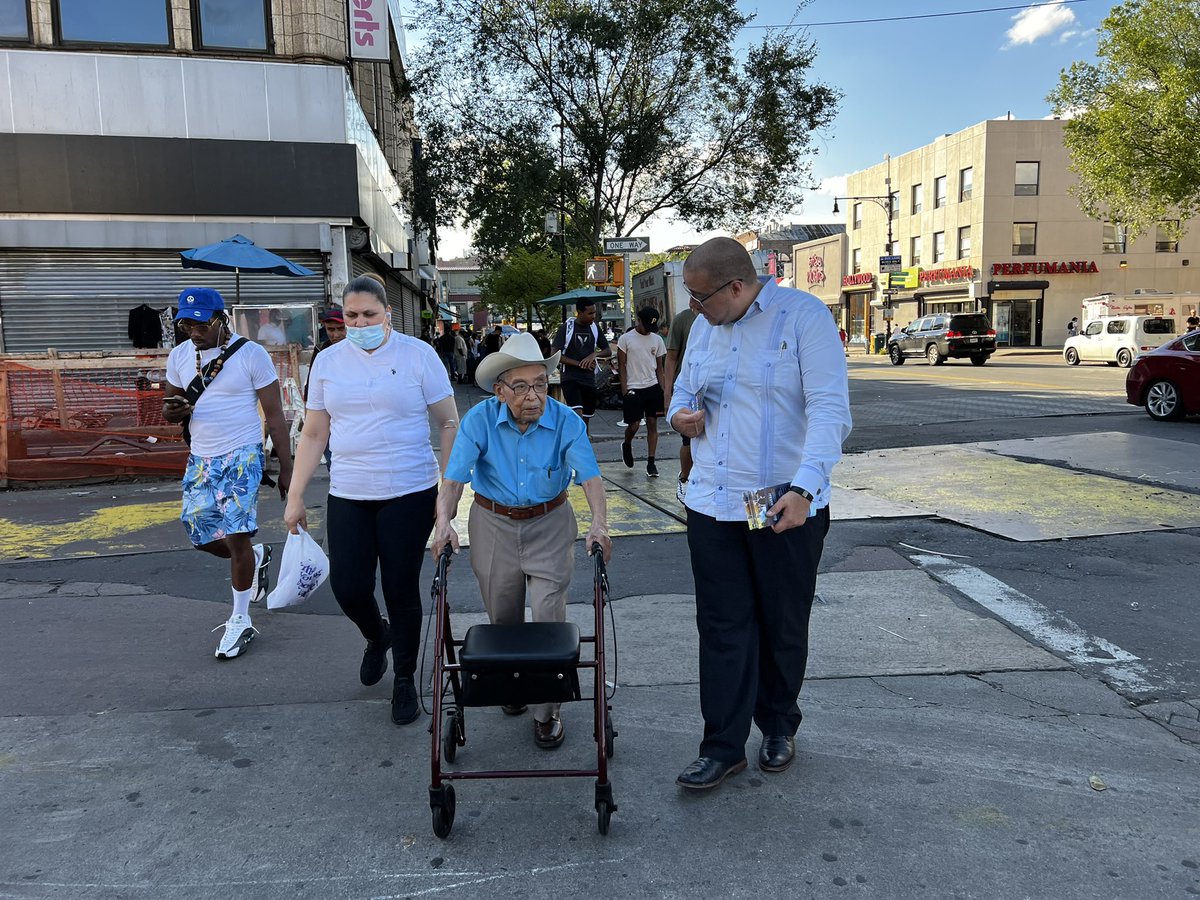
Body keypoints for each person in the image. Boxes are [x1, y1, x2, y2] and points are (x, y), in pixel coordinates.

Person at [668, 237, 852, 792]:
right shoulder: (704, 326)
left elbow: (829, 410)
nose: (693, 309)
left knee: (781, 618)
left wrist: (806, 487)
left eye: (701, 298)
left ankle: (777, 725)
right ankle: (722, 745)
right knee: (722, 624)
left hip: (776, 501)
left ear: (738, 287)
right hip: (713, 500)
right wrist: (681, 417)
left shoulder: (802, 319)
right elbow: (681, 390)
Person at [283, 276, 460, 727]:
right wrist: (296, 495)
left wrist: (447, 492)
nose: (359, 323)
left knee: (401, 588)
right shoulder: (327, 361)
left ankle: (404, 679)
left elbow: (448, 423)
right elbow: (315, 431)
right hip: (349, 492)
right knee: (349, 585)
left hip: (409, 490)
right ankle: (375, 636)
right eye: (351, 316)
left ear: (388, 315)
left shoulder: (418, 355)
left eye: (369, 315)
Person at [431, 332, 611, 749]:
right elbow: (454, 479)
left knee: (549, 617)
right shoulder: (478, 420)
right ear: (500, 389)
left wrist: (599, 524)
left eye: (541, 385)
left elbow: (591, 478)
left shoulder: (565, 420)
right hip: (493, 523)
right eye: (522, 386)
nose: (534, 395)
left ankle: (546, 712)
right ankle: (511, 686)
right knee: (504, 617)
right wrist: (443, 524)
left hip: (549, 523)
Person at [161, 287, 292, 660]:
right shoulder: (180, 355)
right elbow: (171, 407)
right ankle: (254, 555)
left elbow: (276, 414)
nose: (195, 332)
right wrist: (173, 411)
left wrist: (287, 467)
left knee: (235, 537)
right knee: (199, 533)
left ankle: (240, 619)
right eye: (187, 325)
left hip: (242, 455)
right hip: (201, 456)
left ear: (222, 320)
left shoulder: (251, 354)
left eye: (202, 324)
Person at [618, 306, 667, 477]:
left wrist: (663, 389)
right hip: (633, 387)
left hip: (652, 386)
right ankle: (626, 443)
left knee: (653, 424)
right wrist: (625, 389)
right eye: (647, 325)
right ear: (638, 321)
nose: (649, 330)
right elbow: (622, 365)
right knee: (634, 425)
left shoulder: (657, 340)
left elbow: (660, 367)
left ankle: (651, 462)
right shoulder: (625, 339)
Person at [550, 298, 611, 434]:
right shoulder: (566, 328)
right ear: (579, 312)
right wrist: (579, 364)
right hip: (570, 378)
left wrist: (593, 355)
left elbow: (608, 350)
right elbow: (555, 354)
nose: (593, 316)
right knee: (577, 414)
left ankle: (584, 442)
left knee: (587, 417)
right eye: (590, 313)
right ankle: (578, 443)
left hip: (589, 379)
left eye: (594, 313)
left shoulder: (594, 328)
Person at [664, 306, 697, 504]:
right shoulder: (683, 319)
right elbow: (671, 357)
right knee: (689, 440)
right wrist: (668, 393)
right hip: (689, 390)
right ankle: (684, 479)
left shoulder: (728, 315)